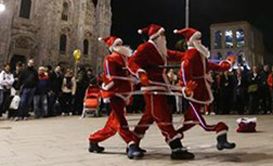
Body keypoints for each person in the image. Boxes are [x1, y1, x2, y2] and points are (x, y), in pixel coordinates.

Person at [129, 24, 193, 160]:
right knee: (162, 115)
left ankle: (132, 142)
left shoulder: (160, 49)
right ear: (156, 36)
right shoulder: (146, 47)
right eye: (163, 35)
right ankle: (176, 146)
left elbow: (175, 54)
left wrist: (193, 55)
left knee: (149, 116)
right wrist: (141, 74)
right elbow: (132, 62)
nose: (165, 38)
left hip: (161, 87)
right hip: (152, 87)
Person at [174, 27, 235, 151]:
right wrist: (187, 87)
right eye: (197, 38)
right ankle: (221, 132)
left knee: (191, 119)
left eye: (200, 38)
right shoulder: (192, 54)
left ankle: (174, 137)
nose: (200, 41)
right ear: (191, 40)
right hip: (195, 90)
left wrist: (227, 64)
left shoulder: (198, 53)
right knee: (202, 123)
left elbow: (211, 66)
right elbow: (185, 69)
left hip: (199, 89)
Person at [88, 36, 143, 159]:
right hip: (116, 93)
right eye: (117, 44)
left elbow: (133, 70)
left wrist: (137, 77)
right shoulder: (110, 59)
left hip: (126, 92)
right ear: (112, 48)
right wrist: (109, 88)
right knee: (121, 120)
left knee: (114, 123)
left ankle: (94, 140)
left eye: (121, 43)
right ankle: (131, 144)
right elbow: (109, 76)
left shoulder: (127, 58)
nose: (121, 46)